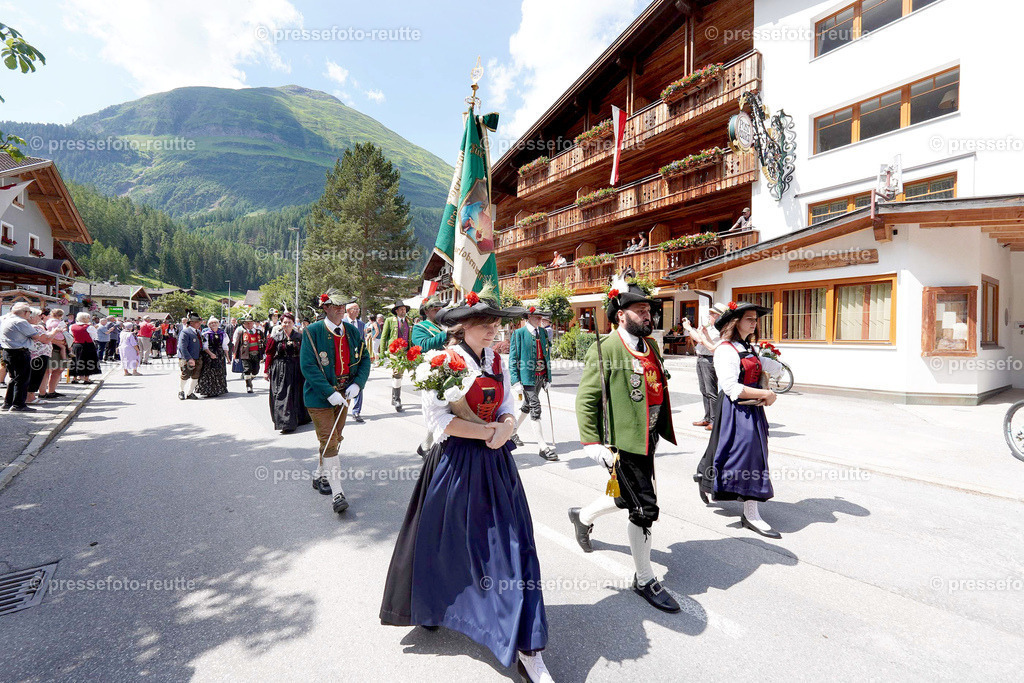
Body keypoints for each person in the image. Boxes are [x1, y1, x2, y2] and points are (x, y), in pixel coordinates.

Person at [380, 289, 553, 683]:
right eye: (487, 324)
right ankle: (435, 606)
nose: (495, 330)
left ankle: (526, 643)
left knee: (510, 547)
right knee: (445, 544)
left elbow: (509, 403)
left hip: (495, 463)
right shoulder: (441, 362)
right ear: (463, 327)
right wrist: (489, 430)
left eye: (496, 323)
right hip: (455, 464)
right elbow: (439, 423)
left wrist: (507, 425)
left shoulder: (497, 360)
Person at [568, 272, 681, 613]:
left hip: (647, 438)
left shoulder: (652, 346)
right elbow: (586, 399)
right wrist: (591, 443)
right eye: (639, 310)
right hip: (623, 443)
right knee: (644, 508)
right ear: (621, 314)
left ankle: (582, 516)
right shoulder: (605, 349)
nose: (648, 314)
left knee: (624, 496)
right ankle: (644, 578)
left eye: (648, 309)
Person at [695, 301, 784, 538]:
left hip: (752, 410)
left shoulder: (748, 348)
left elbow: (763, 366)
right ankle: (751, 514)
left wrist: (777, 367)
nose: (755, 323)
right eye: (750, 319)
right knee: (745, 456)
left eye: (756, 319)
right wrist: (766, 394)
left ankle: (705, 476)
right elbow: (732, 388)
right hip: (736, 410)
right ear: (736, 322)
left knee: (743, 453)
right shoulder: (725, 350)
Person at [300, 288, 370, 513]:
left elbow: (365, 359)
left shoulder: (351, 331)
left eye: (344, 305)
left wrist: (357, 384)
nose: (342, 309)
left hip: (344, 396)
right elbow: (308, 366)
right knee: (329, 441)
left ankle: (319, 474)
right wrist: (329, 392)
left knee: (334, 438)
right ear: (326, 307)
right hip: (320, 397)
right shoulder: (312, 332)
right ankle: (338, 492)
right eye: (337, 305)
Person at [510, 306, 557, 461]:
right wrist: (515, 380)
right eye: (536, 317)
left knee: (527, 405)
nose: (540, 320)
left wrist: (548, 378)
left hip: (540, 376)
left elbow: (547, 356)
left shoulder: (542, 332)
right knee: (535, 407)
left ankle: (511, 432)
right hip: (527, 377)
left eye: (541, 317)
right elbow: (513, 359)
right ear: (528, 317)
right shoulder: (518, 334)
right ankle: (542, 446)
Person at [1, 303, 58, 412]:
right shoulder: (21, 321)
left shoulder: (6, 319)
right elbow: (36, 336)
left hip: (8, 351)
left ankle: (8, 403)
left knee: (14, 378)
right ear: (26, 312)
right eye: (29, 312)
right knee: (22, 379)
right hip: (19, 352)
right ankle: (18, 405)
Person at [264, 312, 310, 433]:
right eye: (284, 322)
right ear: (281, 323)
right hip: (280, 368)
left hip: (297, 367)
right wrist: (266, 371)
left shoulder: (300, 337)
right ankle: (285, 422)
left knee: (297, 392)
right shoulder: (275, 338)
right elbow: (269, 355)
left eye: (289, 322)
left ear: (294, 323)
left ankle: (300, 417)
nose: (287, 324)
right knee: (282, 394)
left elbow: (306, 353)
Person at [685, 303, 727, 430]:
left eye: (713, 314)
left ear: (719, 316)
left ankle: (714, 420)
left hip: (710, 360)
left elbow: (700, 339)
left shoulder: (720, 330)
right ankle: (708, 417)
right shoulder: (711, 328)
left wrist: (689, 328)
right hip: (702, 358)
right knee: (704, 391)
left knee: (711, 391)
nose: (710, 316)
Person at [380, 301, 411, 412]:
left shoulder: (409, 321)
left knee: (399, 374)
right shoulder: (389, 321)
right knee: (397, 372)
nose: (403, 311)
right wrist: (382, 352)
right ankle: (397, 399)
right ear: (396, 311)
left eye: (404, 309)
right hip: (394, 351)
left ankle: (394, 397)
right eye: (401, 309)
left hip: (405, 351)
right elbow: (384, 337)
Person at [342, 299, 366, 423]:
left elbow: (363, 342)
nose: (357, 311)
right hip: (344, 358)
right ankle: (341, 409)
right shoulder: (342, 322)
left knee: (358, 384)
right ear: (348, 311)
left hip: (357, 359)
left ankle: (356, 411)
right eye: (354, 309)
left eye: (358, 309)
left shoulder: (361, 324)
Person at [197, 317, 229, 397]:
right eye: (211, 323)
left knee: (219, 371)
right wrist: (211, 354)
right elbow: (205, 347)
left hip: (219, 354)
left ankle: (218, 390)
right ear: (209, 325)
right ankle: (208, 390)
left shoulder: (223, 333)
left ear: (218, 324)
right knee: (209, 372)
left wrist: (228, 357)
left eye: (215, 322)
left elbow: (225, 346)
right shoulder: (206, 334)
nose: (213, 324)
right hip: (209, 354)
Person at [177, 312, 204, 400]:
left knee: (196, 375)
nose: (199, 323)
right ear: (191, 322)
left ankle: (190, 393)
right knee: (185, 375)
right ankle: (181, 391)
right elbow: (182, 347)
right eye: (197, 322)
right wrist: (189, 359)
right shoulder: (185, 332)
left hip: (197, 357)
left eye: (199, 322)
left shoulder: (198, 332)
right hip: (186, 358)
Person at [232, 314, 262, 394]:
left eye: (250, 323)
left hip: (256, 354)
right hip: (245, 354)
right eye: (247, 323)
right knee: (247, 369)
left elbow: (263, 343)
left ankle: (249, 380)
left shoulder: (259, 332)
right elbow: (237, 344)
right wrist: (236, 355)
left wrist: (264, 353)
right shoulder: (241, 332)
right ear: (244, 324)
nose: (249, 325)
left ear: (253, 323)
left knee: (256, 371)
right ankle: (248, 386)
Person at [26, 308, 51, 405]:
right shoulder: (35, 327)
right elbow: (45, 339)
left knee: (36, 375)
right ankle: (30, 397)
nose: (40, 318)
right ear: (31, 317)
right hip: (38, 354)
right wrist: (56, 331)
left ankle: (30, 396)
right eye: (38, 316)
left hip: (38, 354)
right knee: (35, 376)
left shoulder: (33, 326)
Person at [68, 312, 101, 384]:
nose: (89, 319)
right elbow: (94, 337)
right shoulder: (89, 327)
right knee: (88, 361)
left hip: (76, 344)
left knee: (75, 361)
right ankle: (86, 379)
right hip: (87, 345)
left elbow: (71, 334)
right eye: (88, 318)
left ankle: (74, 378)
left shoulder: (72, 326)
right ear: (84, 319)